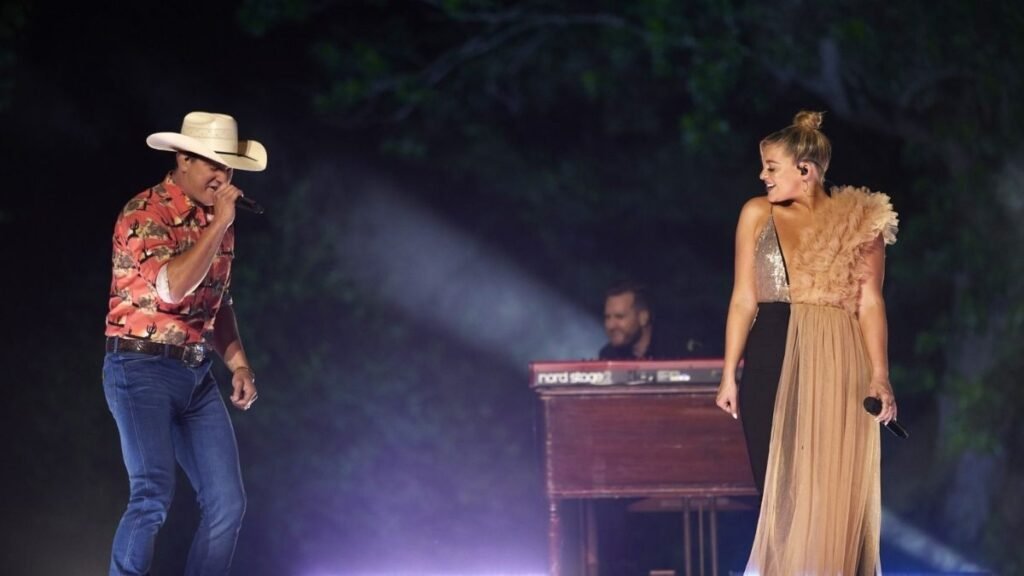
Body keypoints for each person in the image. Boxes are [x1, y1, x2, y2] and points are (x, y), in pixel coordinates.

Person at [715, 110, 899, 574]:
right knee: (780, 488)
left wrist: (880, 376)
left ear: (805, 170)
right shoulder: (758, 214)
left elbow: (870, 303)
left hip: (839, 358)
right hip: (773, 352)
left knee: (833, 488)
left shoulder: (861, 222)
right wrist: (728, 374)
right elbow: (742, 299)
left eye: (771, 167)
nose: (762, 176)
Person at [102, 111, 267, 576]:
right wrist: (219, 225)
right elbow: (172, 289)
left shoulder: (219, 221)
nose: (221, 176)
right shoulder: (145, 213)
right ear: (182, 158)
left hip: (194, 375)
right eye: (212, 164)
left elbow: (217, 302)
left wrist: (238, 364)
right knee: (152, 492)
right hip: (139, 369)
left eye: (228, 167)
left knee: (227, 504)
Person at [599, 282, 679, 360]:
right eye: (607, 317)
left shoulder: (674, 349)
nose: (610, 325)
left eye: (620, 317)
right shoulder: (608, 356)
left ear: (643, 318)